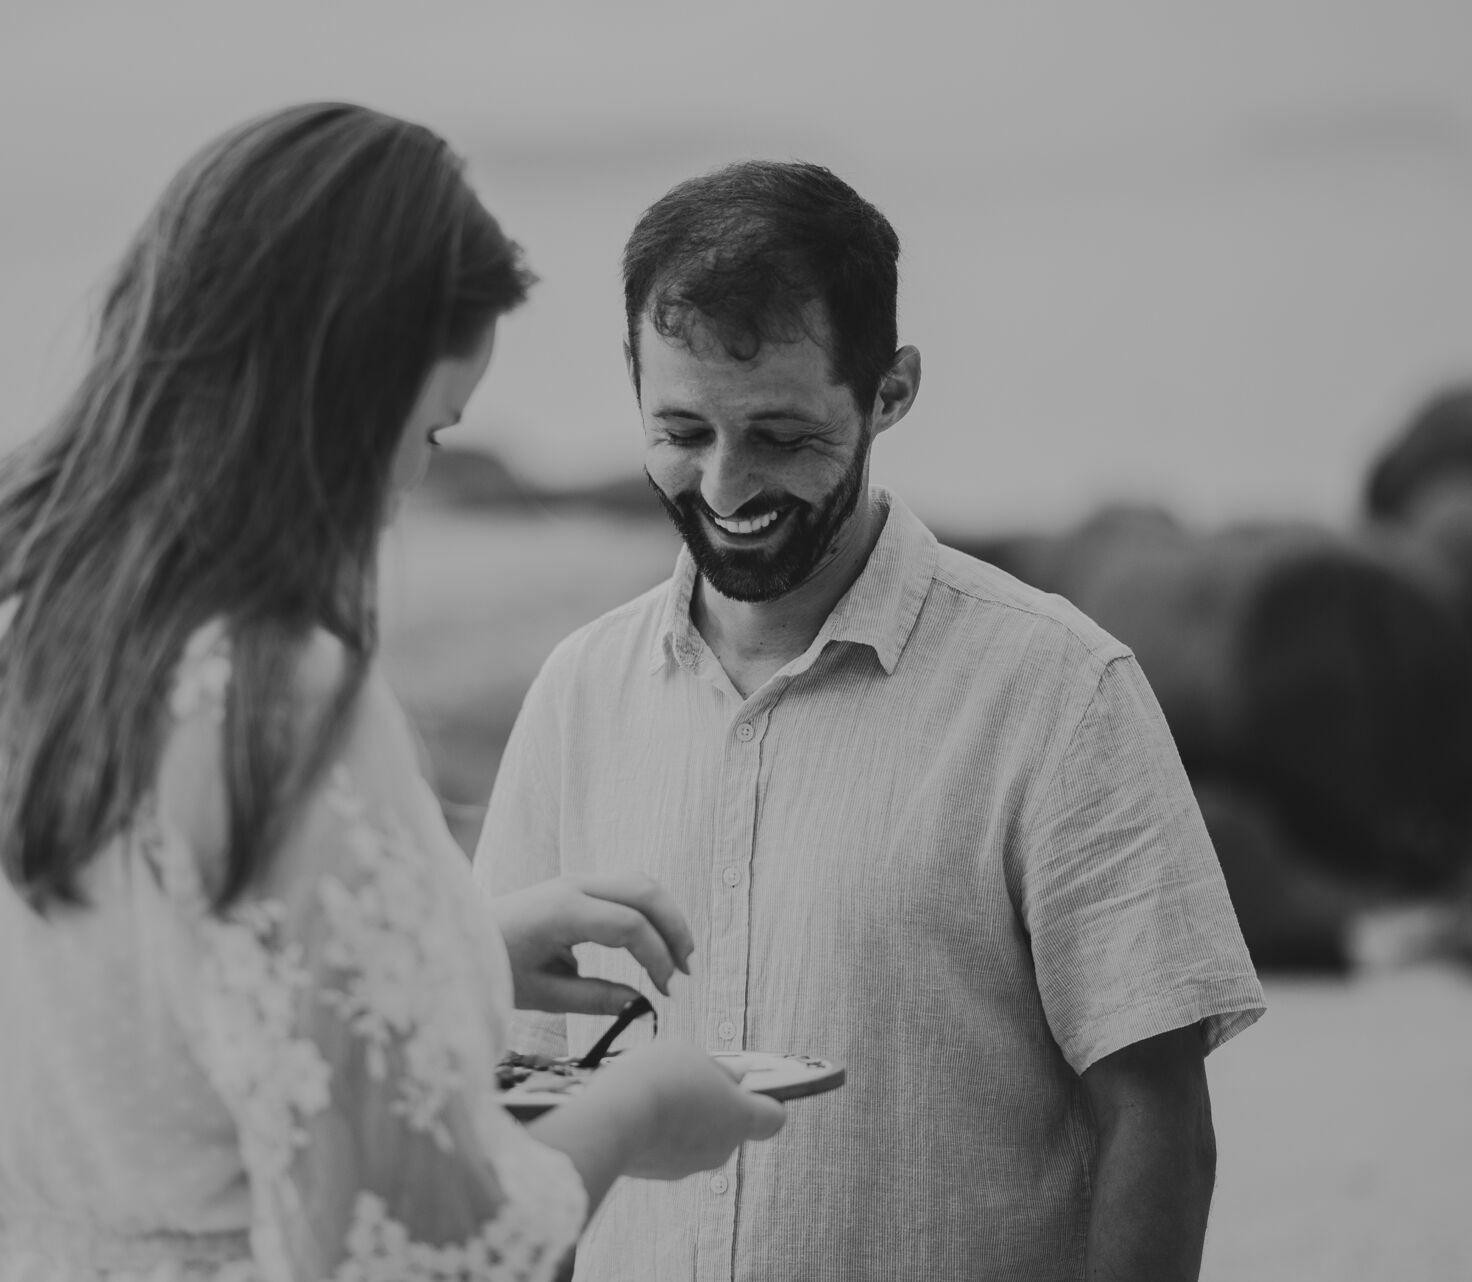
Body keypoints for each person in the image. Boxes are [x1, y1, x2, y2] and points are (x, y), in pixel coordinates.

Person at [0, 102, 784, 1281]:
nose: (407, 489)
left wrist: (448, 955)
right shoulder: (268, 696)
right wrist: (642, 1111)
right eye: (430, 432)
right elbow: (411, 1248)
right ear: (347, 397)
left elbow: (90, 999)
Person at [473, 160, 1267, 1282]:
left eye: (782, 435)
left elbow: (1160, 1123)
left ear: (890, 391)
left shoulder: (1060, 691)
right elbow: (516, 1102)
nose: (726, 487)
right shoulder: (576, 692)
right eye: (682, 430)